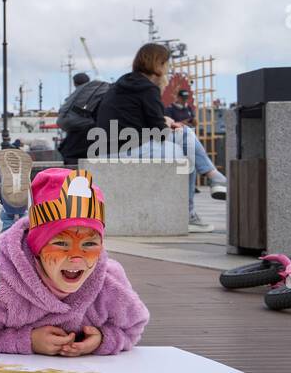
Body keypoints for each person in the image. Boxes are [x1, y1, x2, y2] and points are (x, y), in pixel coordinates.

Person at [0, 168, 149, 355]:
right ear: (37, 250)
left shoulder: (109, 284)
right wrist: (26, 341)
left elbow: (132, 327)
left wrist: (104, 340)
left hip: (23, 267)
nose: (76, 257)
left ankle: (12, 214)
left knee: (20, 259)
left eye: (89, 244)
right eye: (61, 244)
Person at [93, 43, 227, 232]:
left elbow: (135, 119)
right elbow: (160, 132)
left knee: (184, 136)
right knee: (184, 147)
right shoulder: (147, 88)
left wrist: (165, 121)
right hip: (126, 149)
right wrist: (167, 122)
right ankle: (193, 207)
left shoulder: (122, 84)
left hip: (108, 147)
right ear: (159, 64)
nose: (168, 69)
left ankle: (214, 180)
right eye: (166, 64)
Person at [56, 71, 111, 165]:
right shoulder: (96, 91)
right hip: (87, 137)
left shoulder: (75, 96)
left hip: (71, 141)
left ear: (74, 83)